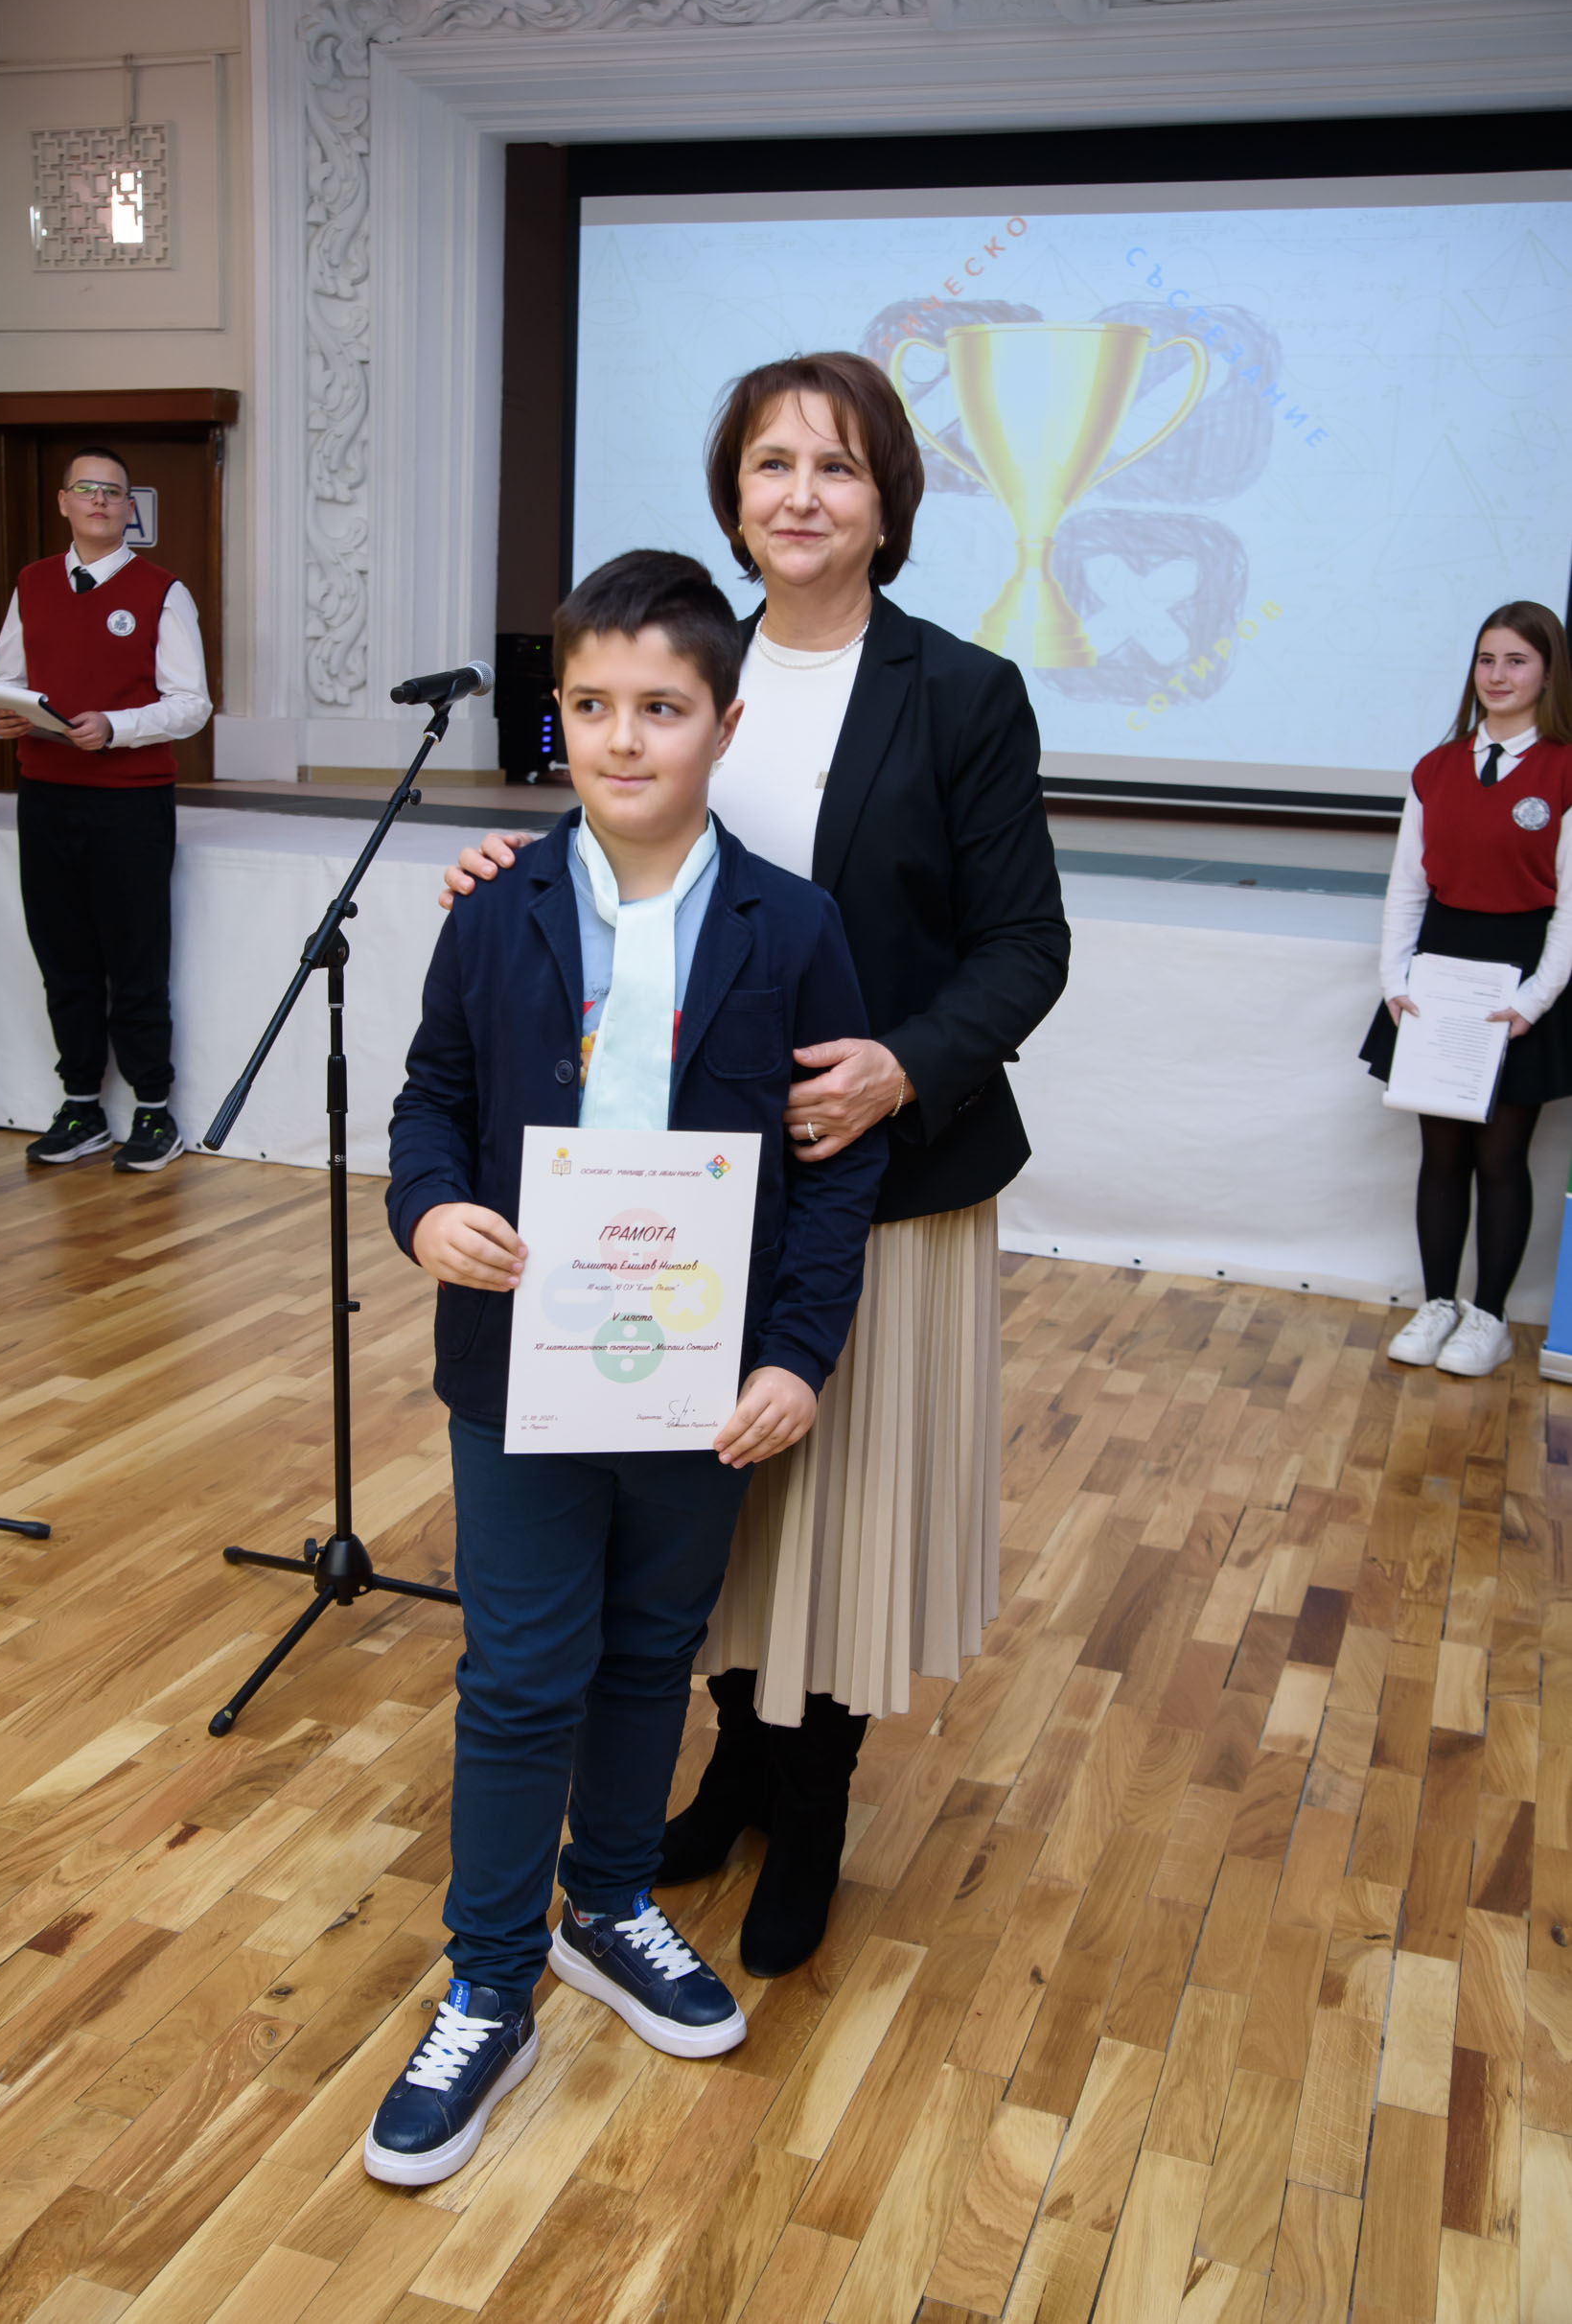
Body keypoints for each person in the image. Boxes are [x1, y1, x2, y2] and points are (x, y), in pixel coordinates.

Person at [444, 352, 1070, 1979]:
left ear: (888, 503)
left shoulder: (960, 692)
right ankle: (727, 1766)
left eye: (837, 467)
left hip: (879, 1178)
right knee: (700, 1507)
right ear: (732, 497)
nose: (800, 494)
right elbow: (617, 848)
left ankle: (813, 1802)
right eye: (771, 464)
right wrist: (505, 860)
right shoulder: (682, 665)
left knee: (832, 1508)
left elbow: (1025, 945)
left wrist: (899, 1066)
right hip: (666, 1198)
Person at [365, 550, 886, 2188]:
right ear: (560, 721)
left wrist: (797, 1356)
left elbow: (833, 1170)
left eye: (660, 708)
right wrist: (426, 1208)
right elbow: (432, 1096)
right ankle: (489, 1980)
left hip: (697, 1382)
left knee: (652, 1651)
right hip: (515, 1368)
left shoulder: (795, 928)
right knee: (522, 1673)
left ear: (723, 725)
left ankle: (602, 1906)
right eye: (590, 706)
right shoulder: (492, 909)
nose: (622, 737)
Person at [1362, 599, 1572, 1376]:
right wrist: (1395, 980)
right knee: (1440, 1151)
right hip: (1439, 971)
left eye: (1516, 660)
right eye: (1487, 659)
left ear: (1547, 672)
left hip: (1519, 977)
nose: (1497, 675)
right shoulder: (1436, 767)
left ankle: (1488, 1317)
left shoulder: (1564, 769)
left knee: (1502, 1156)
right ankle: (1437, 1304)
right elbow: (1406, 886)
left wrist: (1532, 1001)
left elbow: (1570, 909)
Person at [0, 446, 210, 1172]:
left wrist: (115, 727)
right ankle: (80, 1103)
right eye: (86, 489)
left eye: (113, 492)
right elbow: (9, 679)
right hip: (46, 795)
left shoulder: (162, 590)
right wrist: (2, 717)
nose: (99, 500)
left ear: (128, 508)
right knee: (63, 957)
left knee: (135, 958)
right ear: (64, 502)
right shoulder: (31, 582)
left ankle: (153, 1110)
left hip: (130, 803)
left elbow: (191, 704)